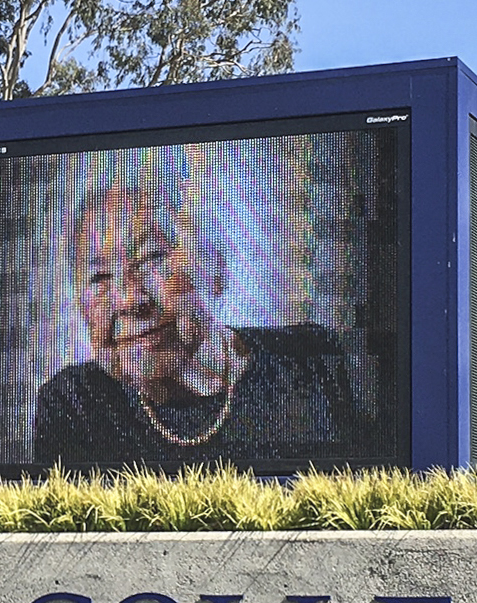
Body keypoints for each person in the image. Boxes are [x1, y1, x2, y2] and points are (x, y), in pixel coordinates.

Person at [32, 173, 358, 467]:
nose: (129, 299)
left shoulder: (311, 362)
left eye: (151, 258)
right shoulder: (73, 404)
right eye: (99, 277)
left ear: (210, 265)